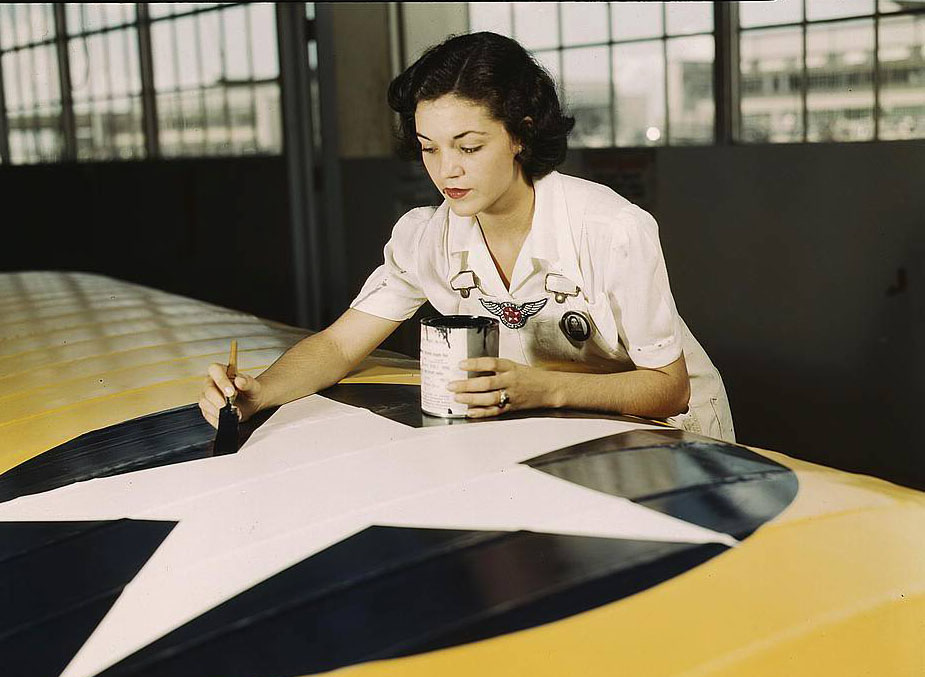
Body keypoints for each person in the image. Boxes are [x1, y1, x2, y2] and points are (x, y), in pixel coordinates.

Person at [199, 32, 735, 442]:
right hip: (557, 423)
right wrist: (258, 393)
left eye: (469, 147)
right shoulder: (426, 237)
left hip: (675, 432)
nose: (446, 170)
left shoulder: (610, 228)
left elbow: (670, 387)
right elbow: (340, 344)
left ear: (521, 134)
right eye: (429, 148)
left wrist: (543, 388)